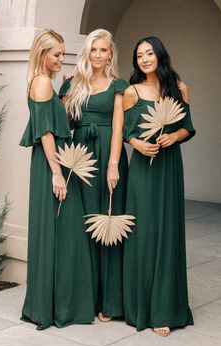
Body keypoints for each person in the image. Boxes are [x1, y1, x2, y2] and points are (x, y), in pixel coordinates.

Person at [19, 29, 95, 330]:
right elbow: (46, 133)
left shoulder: (46, 83)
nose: (62, 59)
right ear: (42, 54)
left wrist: (62, 92)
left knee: (61, 232)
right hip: (52, 164)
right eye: (57, 55)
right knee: (59, 232)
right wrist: (57, 174)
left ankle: (53, 304)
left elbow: (55, 119)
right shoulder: (39, 82)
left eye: (63, 54)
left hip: (56, 162)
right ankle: (54, 307)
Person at [123, 36, 195, 335]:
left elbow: (187, 127)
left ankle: (165, 308)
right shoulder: (131, 92)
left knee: (167, 231)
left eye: (149, 53)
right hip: (142, 168)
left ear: (160, 55)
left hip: (169, 166)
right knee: (143, 231)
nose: (144, 59)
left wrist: (173, 137)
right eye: (139, 55)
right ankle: (139, 306)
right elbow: (126, 131)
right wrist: (138, 143)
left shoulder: (179, 88)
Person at [59, 29, 128, 322]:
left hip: (107, 157)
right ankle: (83, 298)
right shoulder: (72, 84)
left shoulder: (119, 86)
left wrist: (113, 165)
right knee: (82, 224)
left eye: (103, 50)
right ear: (87, 52)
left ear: (110, 53)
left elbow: (118, 128)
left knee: (109, 225)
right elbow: (63, 123)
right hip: (80, 159)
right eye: (93, 49)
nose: (98, 55)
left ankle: (109, 302)